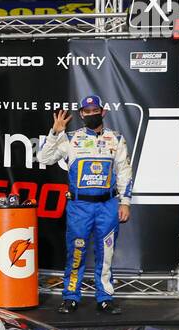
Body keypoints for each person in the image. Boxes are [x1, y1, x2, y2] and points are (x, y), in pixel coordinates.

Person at [39, 96, 133, 314]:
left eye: (95, 110)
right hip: (79, 206)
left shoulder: (116, 139)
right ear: (81, 114)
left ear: (103, 112)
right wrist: (54, 133)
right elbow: (43, 157)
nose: (91, 114)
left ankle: (105, 297)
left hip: (108, 204)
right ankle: (71, 296)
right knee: (76, 252)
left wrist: (125, 202)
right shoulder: (71, 138)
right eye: (87, 111)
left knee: (106, 253)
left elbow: (125, 172)